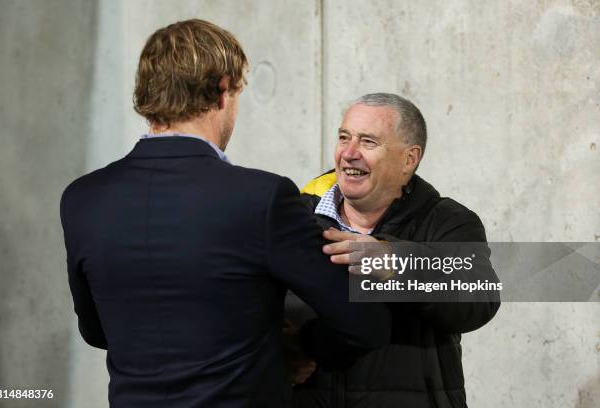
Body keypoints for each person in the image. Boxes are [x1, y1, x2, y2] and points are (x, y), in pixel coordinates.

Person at [60, 20, 392, 408]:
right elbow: (365, 325)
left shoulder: (82, 199)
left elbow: (97, 331)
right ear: (222, 90)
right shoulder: (262, 198)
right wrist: (291, 346)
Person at [288, 93, 500, 408]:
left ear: (409, 159)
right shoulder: (295, 219)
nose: (348, 153)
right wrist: (281, 350)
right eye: (344, 137)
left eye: (368, 142)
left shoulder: (447, 221)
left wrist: (397, 262)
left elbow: (478, 298)